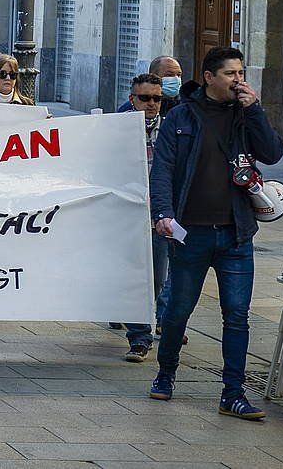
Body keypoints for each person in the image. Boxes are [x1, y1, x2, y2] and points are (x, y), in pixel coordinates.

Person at [148, 47, 283, 420]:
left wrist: (254, 109)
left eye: (241, 73)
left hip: (235, 233)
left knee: (237, 315)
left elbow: (272, 154)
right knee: (177, 312)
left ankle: (233, 393)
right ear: (209, 77)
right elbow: (162, 170)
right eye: (230, 74)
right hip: (190, 233)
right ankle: (166, 373)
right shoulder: (180, 117)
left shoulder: (245, 116)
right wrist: (163, 213)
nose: (238, 80)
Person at [121, 73, 173, 363]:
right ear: (132, 100)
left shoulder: (170, 130)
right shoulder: (118, 129)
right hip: (126, 214)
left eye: (157, 99)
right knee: (133, 277)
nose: (152, 104)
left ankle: (160, 325)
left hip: (158, 214)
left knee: (156, 278)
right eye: (145, 98)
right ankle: (139, 338)